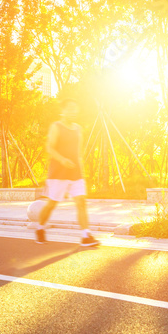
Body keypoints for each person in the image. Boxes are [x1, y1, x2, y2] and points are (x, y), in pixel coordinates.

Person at [35, 97, 99, 247]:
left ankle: (85, 235)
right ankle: (40, 228)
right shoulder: (56, 127)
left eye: (75, 109)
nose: (73, 111)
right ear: (62, 111)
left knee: (81, 202)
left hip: (76, 173)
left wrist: (81, 170)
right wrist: (62, 160)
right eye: (69, 108)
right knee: (52, 203)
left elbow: (78, 153)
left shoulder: (78, 129)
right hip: (58, 173)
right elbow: (50, 148)